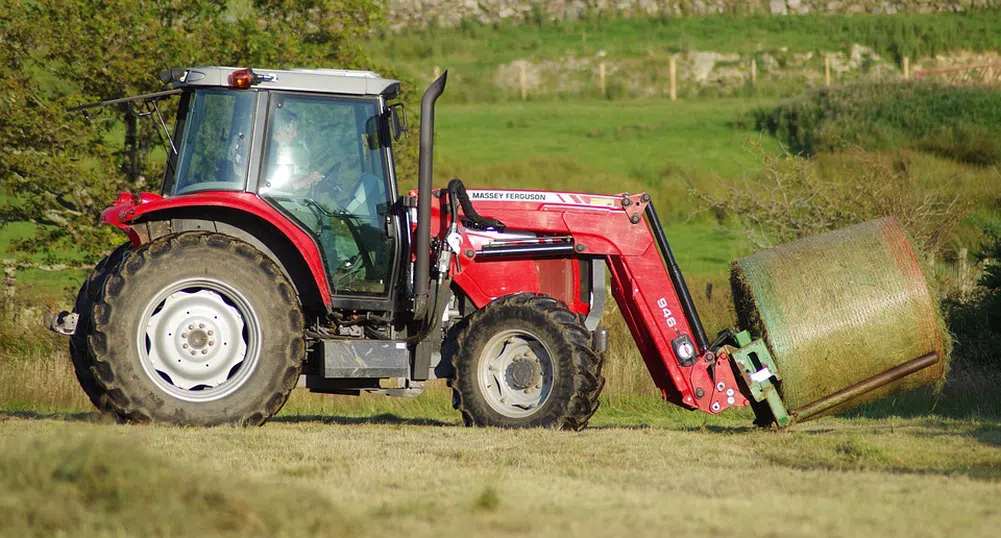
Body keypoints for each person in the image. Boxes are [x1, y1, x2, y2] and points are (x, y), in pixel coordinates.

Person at [262, 108, 325, 194]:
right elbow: (273, 189)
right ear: (282, 130)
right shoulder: (268, 153)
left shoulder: (270, 147)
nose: (295, 134)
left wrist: (303, 180)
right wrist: (305, 181)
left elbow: (279, 181)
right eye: (294, 130)